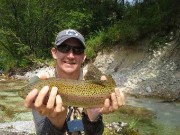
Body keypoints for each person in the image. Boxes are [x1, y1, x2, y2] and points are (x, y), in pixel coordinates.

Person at [24, 29, 125, 135]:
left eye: (77, 50)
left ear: (84, 56)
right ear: (54, 52)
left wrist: (92, 119)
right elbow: (41, 131)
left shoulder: (93, 80)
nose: (70, 55)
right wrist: (56, 122)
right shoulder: (40, 82)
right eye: (64, 48)